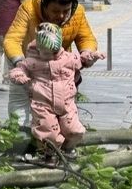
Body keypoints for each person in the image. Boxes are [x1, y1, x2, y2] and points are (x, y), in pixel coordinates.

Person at [2, 0, 103, 129]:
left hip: (58, 64)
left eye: (65, 11)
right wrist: (20, 63)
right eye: (55, 11)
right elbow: (12, 39)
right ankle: (20, 137)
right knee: (21, 100)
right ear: (44, 5)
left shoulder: (78, 12)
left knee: (62, 102)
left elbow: (85, 37)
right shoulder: (28, 8)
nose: (61, 16)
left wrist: (87, 53)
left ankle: (60, 140)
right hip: (24, 60)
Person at [9, 22, 97, 160]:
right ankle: (48, 153)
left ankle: (68, 148)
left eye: (53, 52)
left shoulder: (68, 58)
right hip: (42, 104)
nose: (48, 55)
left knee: (74, 129)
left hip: (67, 103)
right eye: (44, 52)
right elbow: (19, 68)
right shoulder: (32, 62)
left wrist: (91, 57)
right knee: (47, 132)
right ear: (38, 48)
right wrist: (18, 75)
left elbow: (82, 60)